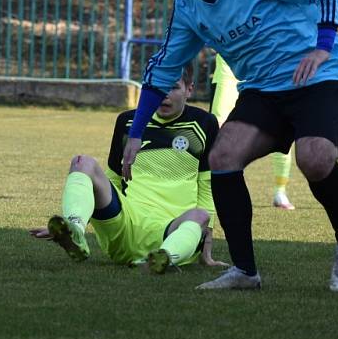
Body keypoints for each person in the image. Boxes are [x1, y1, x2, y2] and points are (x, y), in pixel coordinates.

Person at [122, 0, 338, 292]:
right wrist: (136, 132)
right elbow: (164, 68)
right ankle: (245, 271)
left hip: (317, 75)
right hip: (264, 88)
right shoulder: (187, 4)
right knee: (222, 156)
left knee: (314, 160)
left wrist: (322, 46)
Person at [30, 65, 228, 273]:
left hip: (173, 230)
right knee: (82, 162)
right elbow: (113, 179)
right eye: (157, 88)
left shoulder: (204, 123)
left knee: (199, 215)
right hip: (125, 226)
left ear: (189, 89)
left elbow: (206, 185)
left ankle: (162, 258)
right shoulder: (127, 122)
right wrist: (78, 223)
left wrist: (206, 249)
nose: (164, 95)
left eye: (173, 88)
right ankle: (75, 230)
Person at [211, 0, 295, 210]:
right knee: (216, 123)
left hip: (268, 66)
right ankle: (210, 182)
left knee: (285, 126)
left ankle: (280, 191)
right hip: (230, 66)